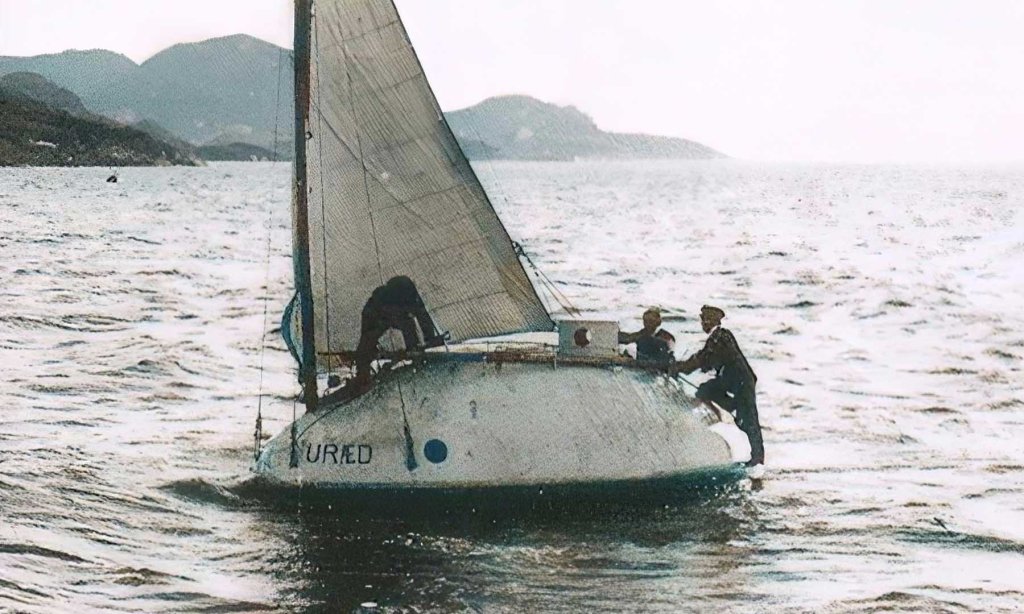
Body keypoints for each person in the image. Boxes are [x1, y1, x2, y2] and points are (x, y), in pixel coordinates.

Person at [673, 305, 764, 469]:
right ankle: (734, 409)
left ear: (714, 320)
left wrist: (680, 367)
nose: (703, 323)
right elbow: (706, 359)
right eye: (702, 320)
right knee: (706, 390)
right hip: (732, 380)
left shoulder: (720, 336)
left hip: (740, 381)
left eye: (705, 319)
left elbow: (702, 358)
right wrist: (685, 366)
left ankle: (757, 459)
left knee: (749, 420)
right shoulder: (718, 337)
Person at [351, 276, 444, 390]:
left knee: (408, 324)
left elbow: (424, 317)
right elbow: (365, 342)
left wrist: (432, 341)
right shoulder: (372, 310)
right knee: (367, 344)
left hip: (391, 308)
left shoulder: (410, 298)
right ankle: (362, 376)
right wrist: (363, 369)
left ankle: (415, 353)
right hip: (377, 314)